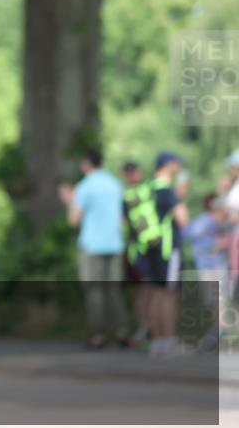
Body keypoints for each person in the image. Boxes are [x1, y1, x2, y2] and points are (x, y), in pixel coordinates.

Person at [58, 149, 127, 349]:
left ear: (86, 163)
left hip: (92, 244)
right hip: (114, 243)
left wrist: (69, 200)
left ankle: (98, 334)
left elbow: (73, 220)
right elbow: (121, 218)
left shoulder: (84, 187)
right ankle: (122, 331)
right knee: (114, 289)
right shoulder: (115, 184)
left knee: (94, 290)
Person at [142, 151, 190, 357]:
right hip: (169, 250)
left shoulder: (147, 189)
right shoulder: (168, 191)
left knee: (155, 294)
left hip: (150, 249)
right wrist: (181, 197)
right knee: (170, 295)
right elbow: (183, 219)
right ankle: (170, 340)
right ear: (168, 165)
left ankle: (157, 341)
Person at [182, 194, 233, 351]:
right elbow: (187, 233)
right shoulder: (204, 222)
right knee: (214, 303)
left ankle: (222, 336)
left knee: (220, 302)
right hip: (208, 267)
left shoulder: (226, 223)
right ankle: (219, 334)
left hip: (219, 267)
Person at [121, 161, 151, 347]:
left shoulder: (147, 191)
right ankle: (143, 327)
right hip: (134, 249)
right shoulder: (126, 196)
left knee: (150, 290)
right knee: (139, 291)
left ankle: (150, 328)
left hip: (148, 249)